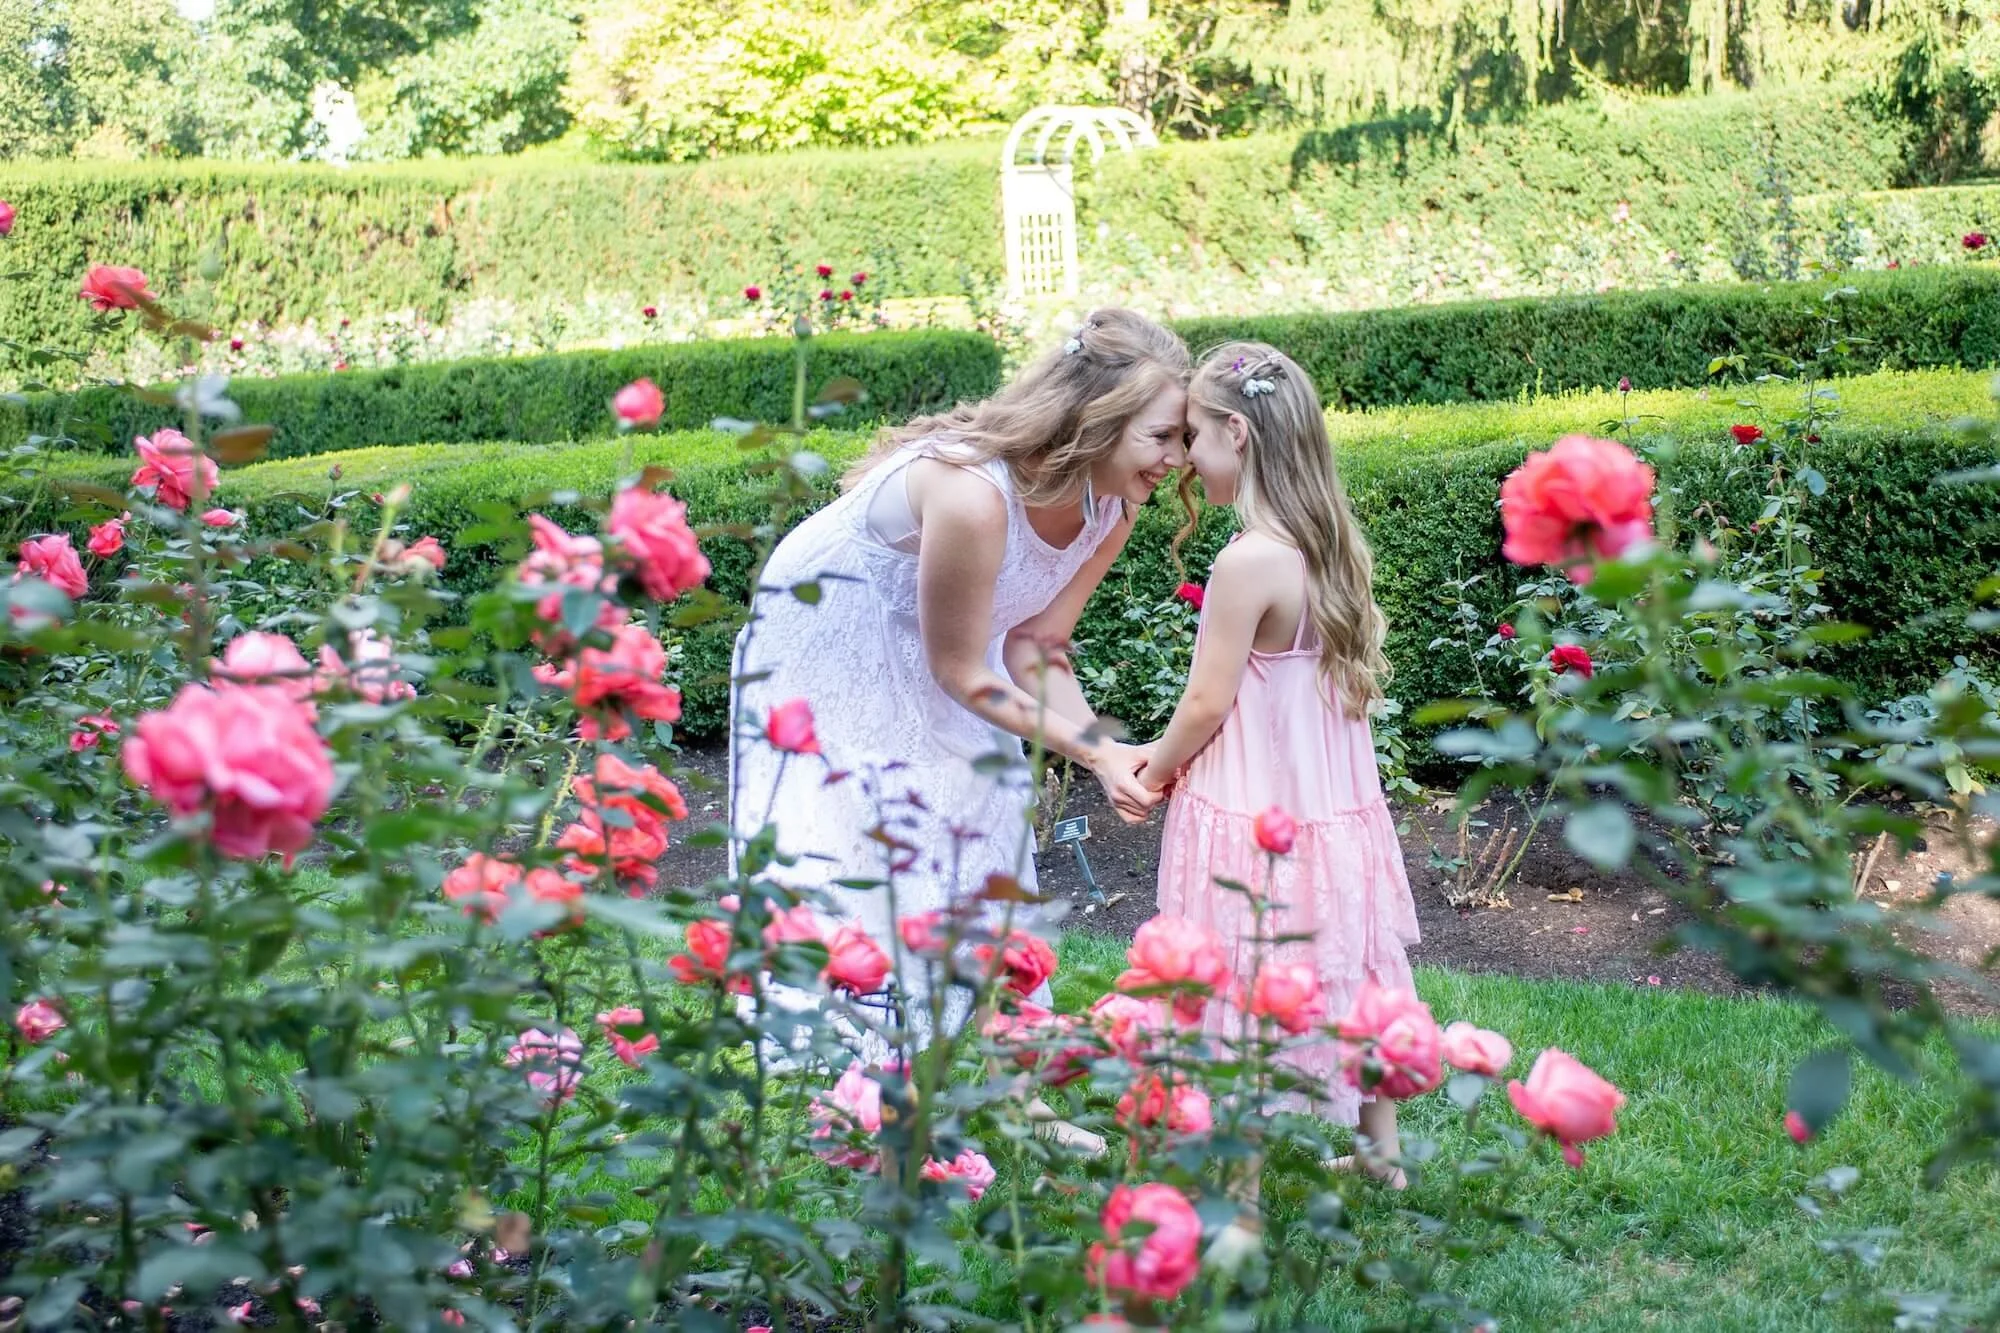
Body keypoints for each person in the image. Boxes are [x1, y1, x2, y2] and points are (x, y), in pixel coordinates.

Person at [731, 309, 1188, 1135]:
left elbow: (1036, 644)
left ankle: (1020, 1097)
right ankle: (853, 1089)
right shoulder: (975, 495)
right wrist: (1094, 756)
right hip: (831, 648)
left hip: (942, 648)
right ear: (1098, 419)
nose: (1177, 458)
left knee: (990, 819)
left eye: (1184, 437)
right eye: (1161, 435)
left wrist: (1105, 748)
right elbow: (962, 669)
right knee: (862, 843)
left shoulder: (1112, 506)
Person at [1140, 341, 1420, 1185]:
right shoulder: (1325, 543)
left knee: (1244, 974)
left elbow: (1207, 701)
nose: (1185, 457)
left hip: (1252, 805)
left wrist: (1152, 770)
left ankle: (1244, 1185)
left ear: (1237, 432)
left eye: (1194, 435)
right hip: (1332, 809)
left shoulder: (1247, 559)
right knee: (1350, 967)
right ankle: (1380, 1153)